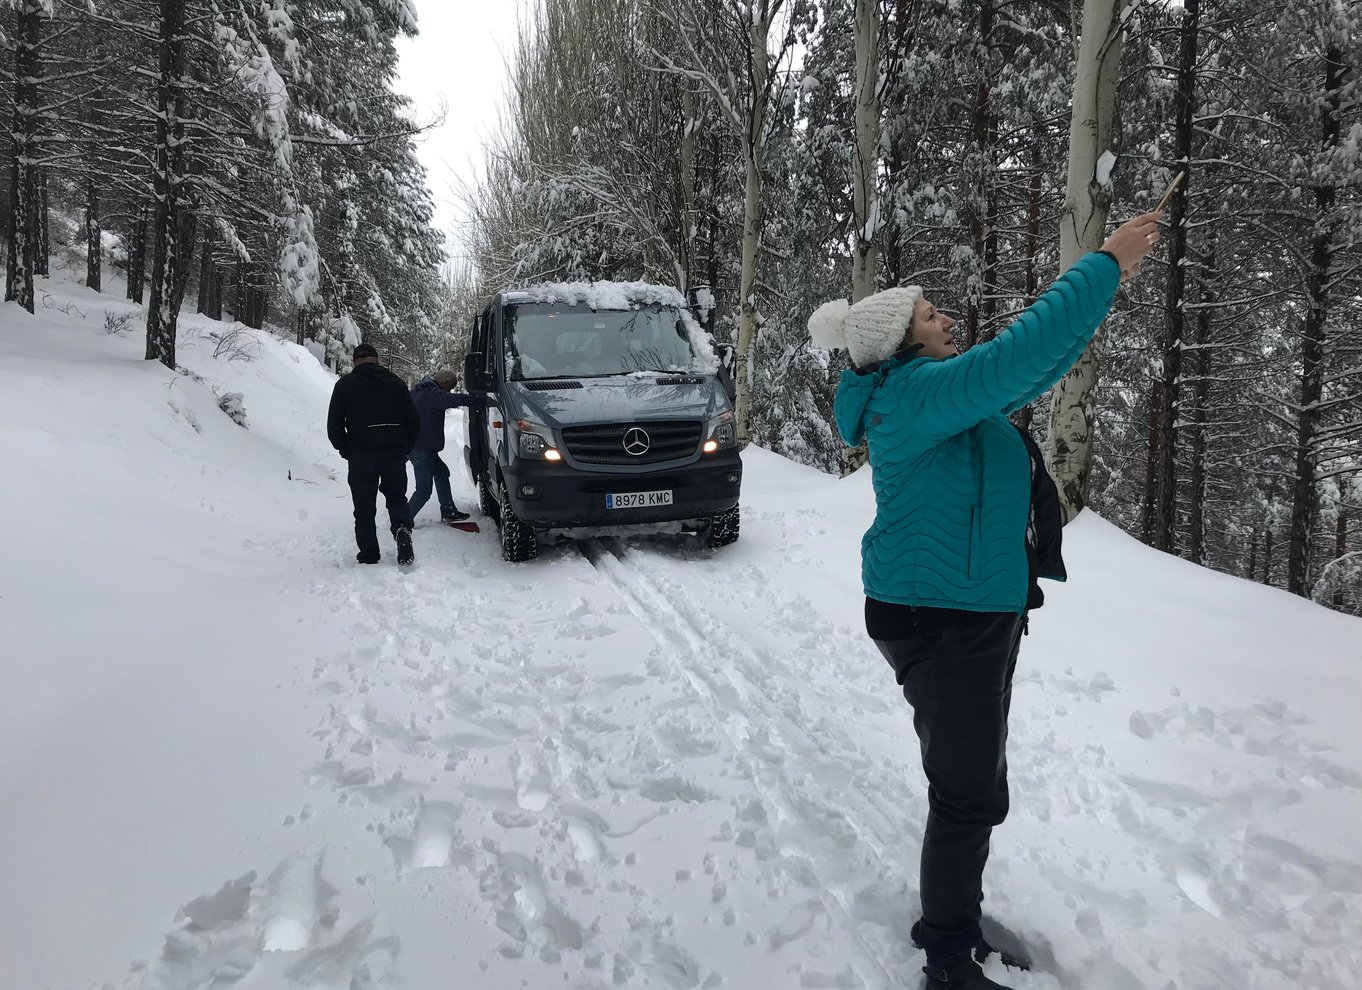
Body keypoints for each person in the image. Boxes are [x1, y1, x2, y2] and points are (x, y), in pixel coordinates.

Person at [808, 211, 1164, 990]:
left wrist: (1105, 294)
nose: (947, 319)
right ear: (905, 341)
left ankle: (952, 921)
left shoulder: (932, 395)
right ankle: (945, 955)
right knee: (966, 795)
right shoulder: (914, 395)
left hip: (966, 612)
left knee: (974, 787)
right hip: (938, 620)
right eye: (932, 315)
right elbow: (1013, 360)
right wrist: (1101, 264)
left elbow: (1035, 371)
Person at [327, 343, 420, 566]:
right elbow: (414, 422)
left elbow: (334, 426)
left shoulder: (344, 385)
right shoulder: (396, 384)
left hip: (361, 456)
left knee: (364, 507)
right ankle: (401, 529)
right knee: (397, 498)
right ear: (376, 360)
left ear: (354, 362)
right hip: (393, 455)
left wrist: (347, 450)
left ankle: (369, 554)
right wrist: (404, 448)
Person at [408, 370, 486, 525]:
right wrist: (481, 401)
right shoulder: (433, 393)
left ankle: (448, 511)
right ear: (444, 383)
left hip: (420, 446)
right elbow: (455, 399)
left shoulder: (417, 391)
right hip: (421, 448)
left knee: (442, 473)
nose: (448, 391)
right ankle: (402, 521)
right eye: (449, 388)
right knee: (423, 490)